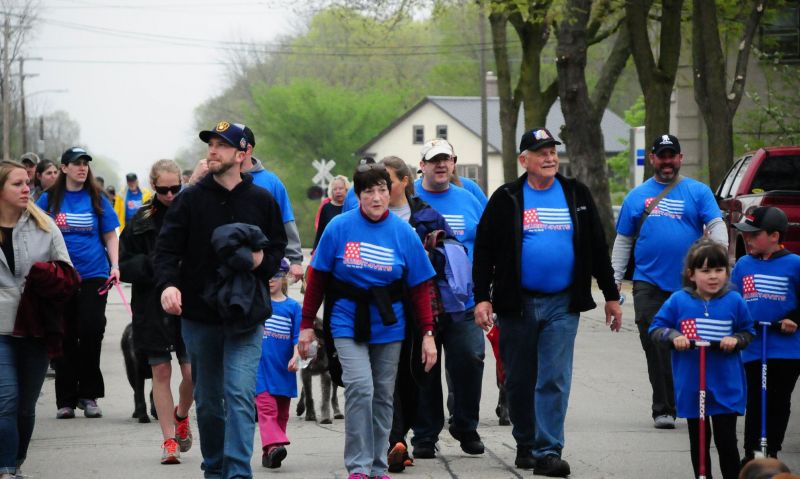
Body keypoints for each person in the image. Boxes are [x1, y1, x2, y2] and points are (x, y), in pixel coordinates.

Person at [473, 127, 622, 476]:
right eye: (542, 152)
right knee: (520, 379)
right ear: (525, 160)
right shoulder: (506, 197)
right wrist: (482, 298)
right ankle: (525, 442)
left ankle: (548, 450)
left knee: (553, 377)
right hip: (517, 303)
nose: (550, 157)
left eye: (553, 151)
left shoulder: (576, 194)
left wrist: (611, 296)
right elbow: (483, 252)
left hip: (563, 303)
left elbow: (598, 248)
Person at [154, 121, 286, 479]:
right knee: (210, 403)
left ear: (242, 154)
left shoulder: (262, 199)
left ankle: (238, 473)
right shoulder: (190, 199)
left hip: (246, 316)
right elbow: (165, 250)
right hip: (199, 316)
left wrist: (261, 261)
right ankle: (214, 469)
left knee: (240, 397)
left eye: (222, 145)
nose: (212, 150)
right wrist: (169, 285)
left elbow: (278, 249)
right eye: (211, 144)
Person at [298, 162, 438, 479]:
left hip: (390, 323)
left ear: (391, 193)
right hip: (347, 319)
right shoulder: (339, 228)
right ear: (358, 196)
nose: (376, 198)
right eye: (369, 191)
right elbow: (317, 279)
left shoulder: (404, 233)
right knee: (361, 388)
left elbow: (419, 288)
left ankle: (378, 465)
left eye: (382, 190)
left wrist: (428, 333)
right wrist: (307, 326)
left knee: (383, 394)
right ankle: (358, 466)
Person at [612, 133, 727, 429]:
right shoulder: (636, 197)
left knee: (688, 344)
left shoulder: (697, 192)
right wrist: (613, 281)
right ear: (652, 159)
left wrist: (718, 262)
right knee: (656, 343)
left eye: (671, 156)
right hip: (647, 282)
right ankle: (663, 407)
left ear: (680, 158)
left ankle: (691, 400)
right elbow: (623, 241)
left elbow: (716, 225)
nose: (667, 162)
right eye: (661, 156)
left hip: (688, 285)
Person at [649, 238, 754, 479]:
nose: (713, 276)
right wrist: (674, 336)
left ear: (727, 273)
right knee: (699, 441)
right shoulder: (679, 301)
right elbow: (656, 329)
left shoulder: (734, 301)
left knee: (727, 441)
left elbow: (748, 331)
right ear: (691, 274)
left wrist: (736, 340)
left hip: (725, 384)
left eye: (719, 270)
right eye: (705, 271)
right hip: (693, 384)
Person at [379, 155, 456, 473]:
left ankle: (418, 432)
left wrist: (427, 255)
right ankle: (395, 441)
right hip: (381, 306)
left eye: (387, 183)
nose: (380, 190)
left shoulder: (426, 215)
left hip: (421, 304)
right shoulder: (368, 214)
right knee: (389, 374)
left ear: (404, 182)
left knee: (416, 374)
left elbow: (451, 254)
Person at [411, 138, 486, 460]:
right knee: (424, 368)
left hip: (463, 300)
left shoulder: (469, 198)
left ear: (453, 162)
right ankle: (425, 435)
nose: (441, 165)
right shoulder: (409, 197)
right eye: (434, 160)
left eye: (446, 159)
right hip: (421, 301)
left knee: (471, 358)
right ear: (422, 165)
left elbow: (487, 247)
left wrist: (487, 294)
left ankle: (465, 425)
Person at [0, 160, 72, 479]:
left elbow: (68, 274)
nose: (26, 188)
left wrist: (49, 279)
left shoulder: (45, 225)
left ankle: (14, 463)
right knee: (6, 400)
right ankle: (5, 469)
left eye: (27, 183)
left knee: (25, 405)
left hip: (36, 328)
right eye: (17, 184)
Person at [36, 147, 121, 419]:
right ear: (64, 168)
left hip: (94, 273)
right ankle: (66, 400)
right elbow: (35, 230)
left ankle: (89, 395)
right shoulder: (50, 199)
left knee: (92, 329)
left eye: (85, 163)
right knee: (65, 334)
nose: (82, 168)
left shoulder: (96, 198)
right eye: (76, 163)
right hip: (60, 276)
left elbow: (110, 235)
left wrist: (116, 266)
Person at [119, 159, 194, 465]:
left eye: (176, 188)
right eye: (163, 189)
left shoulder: (192, 214)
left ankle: (182, 414)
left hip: (190, 304)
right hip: (150, 304)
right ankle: (169, 441)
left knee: (193, 372)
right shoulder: (140, 220)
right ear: (153, 187)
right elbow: (124, 265)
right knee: (160, 371)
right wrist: (156, 265)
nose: (170, 195)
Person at [729, 207, 800, 463]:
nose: (747, 239)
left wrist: (794, 318)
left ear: (774, 236)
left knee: (778, 399)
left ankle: (771, 450)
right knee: (756, 399)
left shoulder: (795, 264)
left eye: (754, 234)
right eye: (746, 234)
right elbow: (733, 300)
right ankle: (752, 453)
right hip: (754, 345)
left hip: (787, 349)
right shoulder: (744, 265)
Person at [239, 126, 304, 282]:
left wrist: (295, 259)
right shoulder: (218, 179)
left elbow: (286, 219)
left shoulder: (271, 182)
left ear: (248, 149)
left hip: (263, 264)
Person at [256, 259, 301, 469]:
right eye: (266, 276)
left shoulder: (292, 307)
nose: (270, 280)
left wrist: (296, 357)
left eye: (275, 276)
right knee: (267, 409)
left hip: (284, 369)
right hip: (260, 369)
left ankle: (269, 454)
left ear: (284, 277)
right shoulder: (258, 303)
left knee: (282, 413)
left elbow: (298, 338)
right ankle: (274, 446)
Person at [312, 175, 349, 252]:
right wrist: (315, 250)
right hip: (329, 248)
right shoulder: (326, 207)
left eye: (341, 188)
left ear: (346, 189)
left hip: (347, 249)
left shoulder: (352, 207)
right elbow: (320, 232)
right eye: (335, 189)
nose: (338, 191)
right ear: (331, 191)